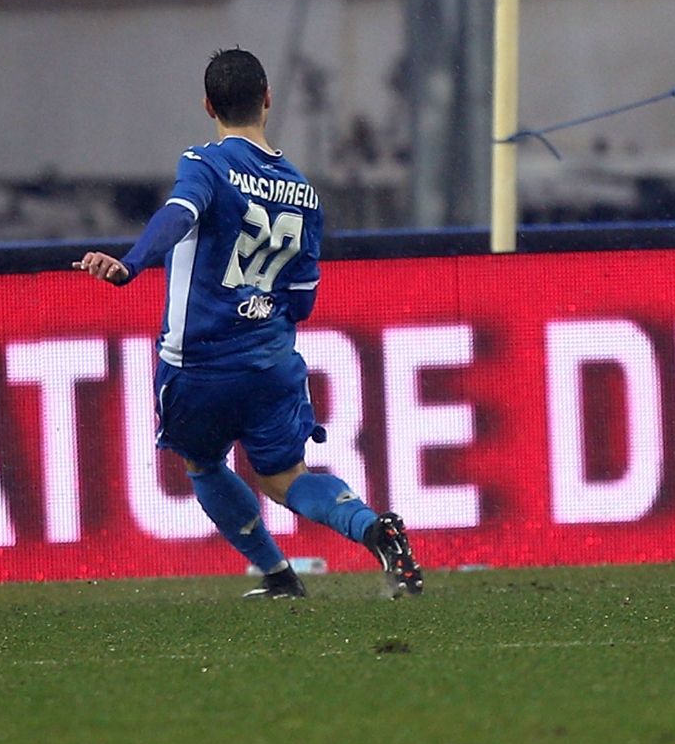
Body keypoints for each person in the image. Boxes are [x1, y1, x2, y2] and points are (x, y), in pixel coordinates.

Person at [74, 49, 423, 600]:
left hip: (199, 366)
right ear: (267, 99)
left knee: (203, 463)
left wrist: (132, 263)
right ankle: (371, 528)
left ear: (208, 105)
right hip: (270, 363)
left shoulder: (205, 164)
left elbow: (180, 213)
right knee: (287, 479)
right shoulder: (304, 193)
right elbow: (302, 301)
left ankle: (279, 576)